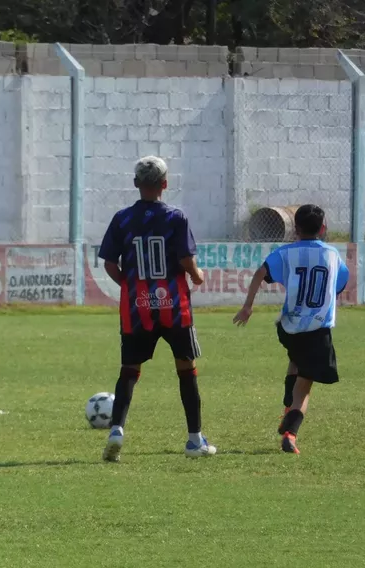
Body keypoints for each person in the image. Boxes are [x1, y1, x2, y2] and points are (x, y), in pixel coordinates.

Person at [98, 156, 215, 462]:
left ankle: (116, 430)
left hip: (137, 306)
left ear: (136, 184)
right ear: (165, 184)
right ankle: (194, 440)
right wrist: (197, 274)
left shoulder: (122, 218)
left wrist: (130, 284)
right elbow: (186, 258)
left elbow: (110, 263)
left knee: (129, 371)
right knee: (186, 369)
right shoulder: (176, 217)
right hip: (173, 305)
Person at [233, 204, 348, 454]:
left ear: (295, 229)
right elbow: (340, 283)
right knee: (304, 387)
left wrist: (247, 307)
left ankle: (287, 409)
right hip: (317, 328)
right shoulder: (332, 254)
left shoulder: (286, 252)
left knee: (296, 360)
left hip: (289, 326)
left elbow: (261, 273)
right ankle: (290, 433)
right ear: (323, 228)